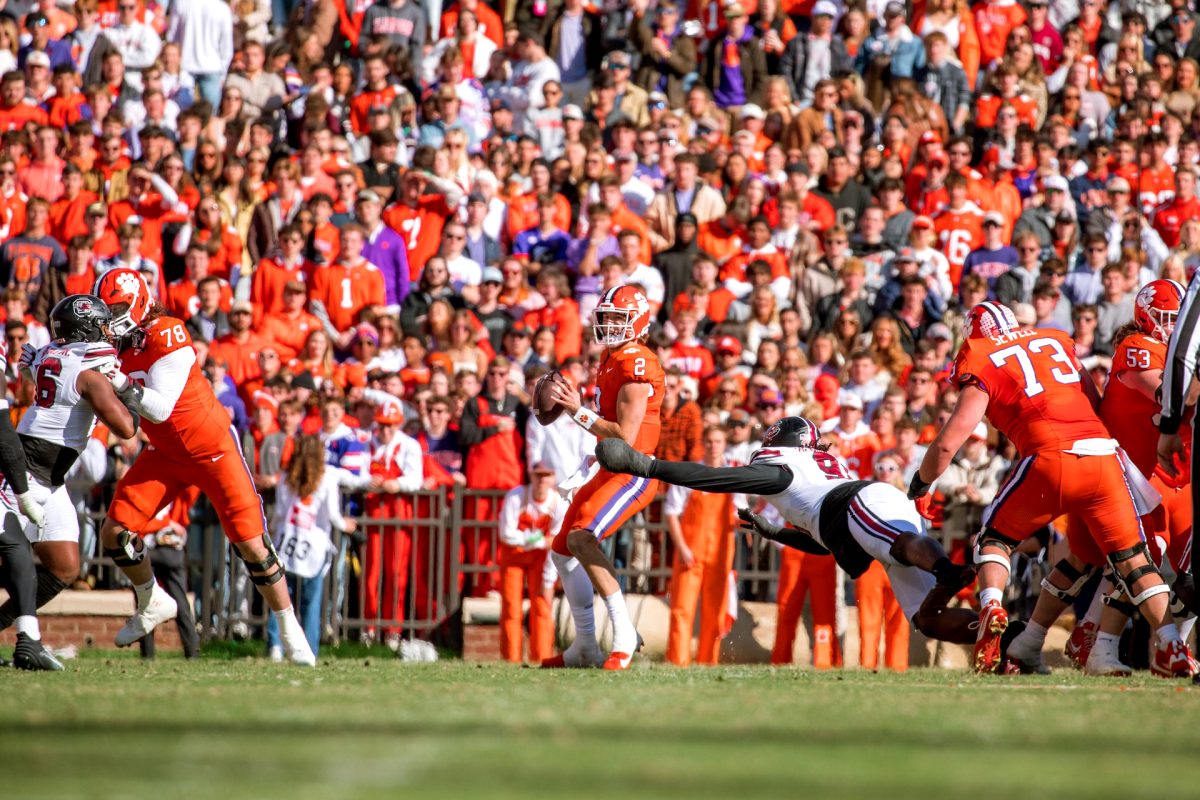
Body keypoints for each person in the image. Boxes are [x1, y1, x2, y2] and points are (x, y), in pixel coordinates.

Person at [911, 302, 1193, 677]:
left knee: (993, 539)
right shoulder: (1055, 338)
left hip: (1049, 455)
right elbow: (1094, 402)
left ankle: (991, 606)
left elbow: (950, 440)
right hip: (1103, 456)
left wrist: (922, 483)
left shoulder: (980, 354)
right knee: (1135, 560)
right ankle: (1172, 643)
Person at [595, 417, 980, 653]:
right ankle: (1008, 640)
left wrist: (646, 465)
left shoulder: (783, 468)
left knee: (897, 544)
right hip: (862, 510)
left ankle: (947, 570)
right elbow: (823, 542)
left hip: (859, 502)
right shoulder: (812, 475)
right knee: (927, 619)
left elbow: (716, 479)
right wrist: (775, 531)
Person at [91, 268, 316, 665]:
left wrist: (121, 384)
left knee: (251, 544)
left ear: (140, 302)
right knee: (114, 533)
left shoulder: (168, 332)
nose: (110, 319)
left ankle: (290, 628)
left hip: (212, 449)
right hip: (166, 454)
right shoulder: (113, 345)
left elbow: (160, 407)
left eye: (118, 309)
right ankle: (152, 600)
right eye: (105, 312)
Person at [0, 294, 139, 668]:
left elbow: (39, 363)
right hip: (25, 471)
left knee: (64, 567)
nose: (107, 331)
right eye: (101, 324)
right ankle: (28, 642)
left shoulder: (54, 353)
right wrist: (132, 392)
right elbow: (127, 428)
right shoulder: (90, 373)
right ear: (87, 329)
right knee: (16, 558)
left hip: (50, 477)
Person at [540, 286, 664, 670]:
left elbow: (625, 435)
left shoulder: (637, 363)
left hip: (634, 471)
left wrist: (575, 411)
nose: (609, 325)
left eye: (618, 319)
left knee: (582, 538)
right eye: (606, 318)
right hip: (608, 467)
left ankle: (624, 632)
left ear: (638, 322)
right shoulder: (612, 357)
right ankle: (586, 645)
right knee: (562, 550)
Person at [267, 435, 354, 662]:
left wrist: (273, 531)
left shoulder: (286, 477)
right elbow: (334, 516)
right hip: (313, 546)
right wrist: (348, 525)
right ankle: (309, 649)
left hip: (286, 542)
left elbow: (278, 513)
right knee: (312, 601)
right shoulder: (327, 479)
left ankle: (276, 645)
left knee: (280, 597)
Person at [664, 425, 738, 667]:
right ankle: (678, 660)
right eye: (709, 441)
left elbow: (741, 512)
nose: (713, 446)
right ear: (703, 443)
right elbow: (671, 513)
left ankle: (709, 660)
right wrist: (683, 548)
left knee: (715, 612)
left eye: (718, 441)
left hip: (720, 554)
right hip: (690, 552)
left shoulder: (734, 475)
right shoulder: (690, 473)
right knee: (681, 608)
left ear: (724, 444)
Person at [496, 461, 564, 664]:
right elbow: (506, 534)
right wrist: (535, 540)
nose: (542, 480)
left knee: (542, 605)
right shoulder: (516, 496)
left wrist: (549, 579)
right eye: (538, 475)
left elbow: (556, 543)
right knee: (511, 607)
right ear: (531, 476)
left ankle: (542, 657)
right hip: (513, 557)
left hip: (542, 559)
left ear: (553, 478)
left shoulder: (558, 503)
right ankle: (511, 658)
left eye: (547, 475)